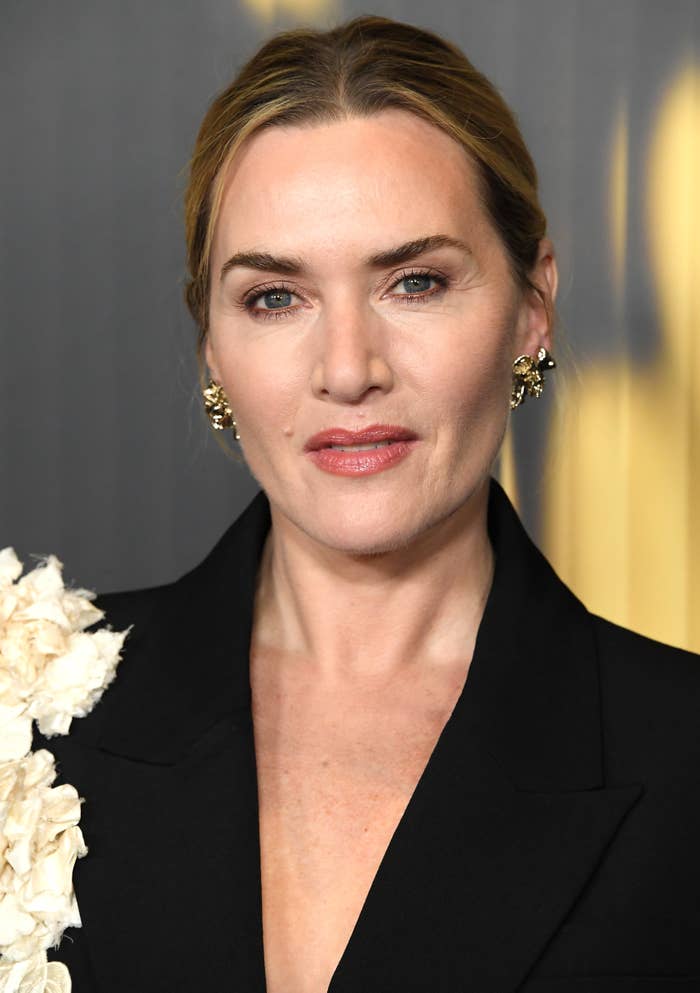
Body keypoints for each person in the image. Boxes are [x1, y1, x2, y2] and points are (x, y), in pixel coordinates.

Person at [41, 14, 700, 993]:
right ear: (211, 345)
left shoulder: (684, 756)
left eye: (414, 282)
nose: (348, 371)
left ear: (531, 306)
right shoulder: (27, 711)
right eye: (275, 297)